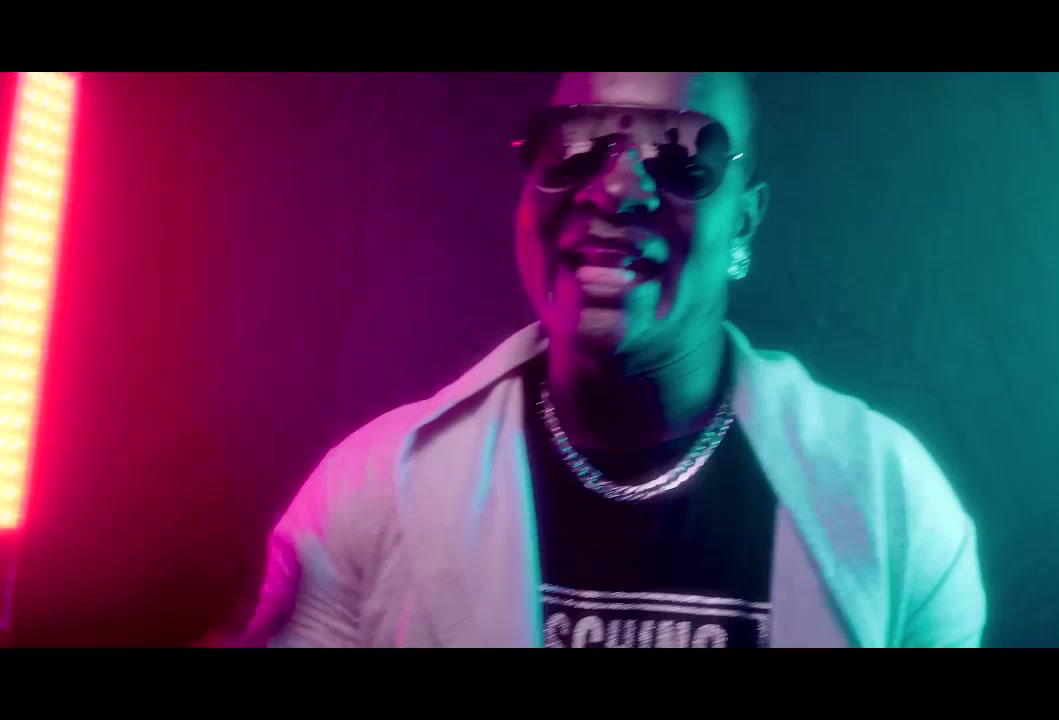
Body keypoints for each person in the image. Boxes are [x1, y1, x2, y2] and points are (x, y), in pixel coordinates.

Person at [235, 71, 986, 648]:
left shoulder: (895, 507)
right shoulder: (366, 495)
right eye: (576, 144)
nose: (617, 189)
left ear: (743, 221)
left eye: (682, 151)